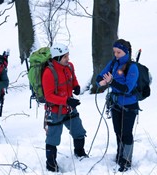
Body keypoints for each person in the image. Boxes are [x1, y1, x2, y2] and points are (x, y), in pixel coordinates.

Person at [42, 43, 87, 172]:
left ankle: (80, 153)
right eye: (65, 57)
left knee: (79, 131)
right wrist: (66, 100)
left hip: (69, 108)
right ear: (57, 58)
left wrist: (76, 86)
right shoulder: (48, 73)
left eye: (68, 55)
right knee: (53, 138)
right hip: (55, 111)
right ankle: (51, 164)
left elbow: (73, 78)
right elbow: (49, 96)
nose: (68, 59)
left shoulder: (69, 66)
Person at [96, 39, 139, 172]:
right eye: (114, 52)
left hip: (129, 105)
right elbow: (99, 76)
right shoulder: (113, 63)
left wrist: (111, 82)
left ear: (126, 53)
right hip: (115, 104)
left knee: (126, 133)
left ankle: (126, 160)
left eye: (118, 52)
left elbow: (127, 88)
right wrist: (101, 82)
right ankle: (120, 155)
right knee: (117, 131)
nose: (116, 54)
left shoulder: (132, 67)